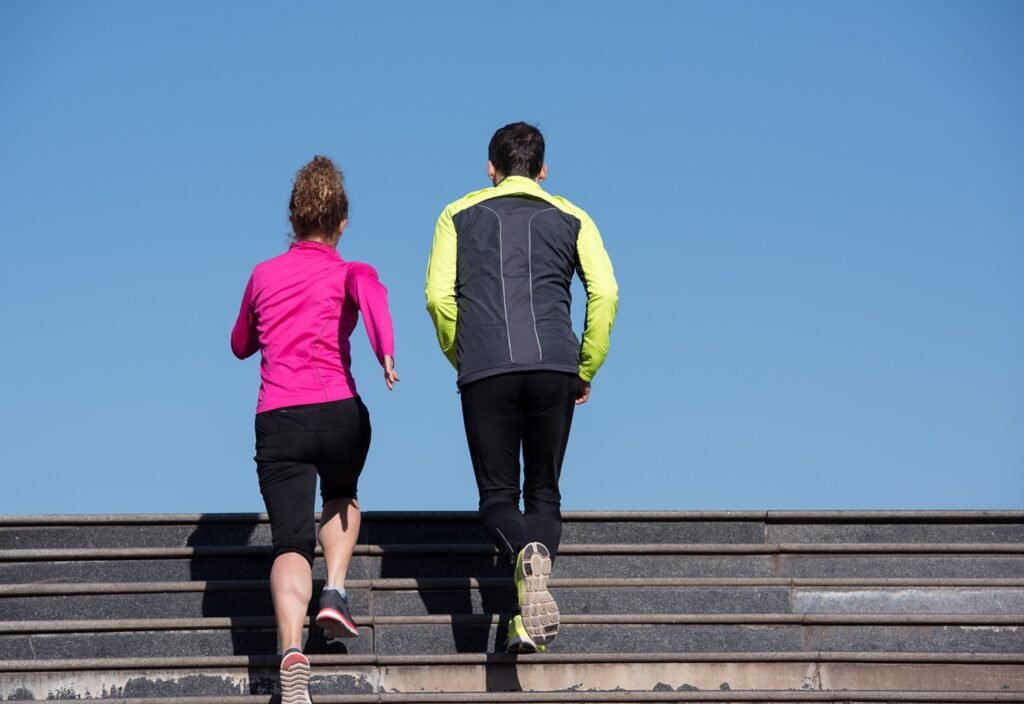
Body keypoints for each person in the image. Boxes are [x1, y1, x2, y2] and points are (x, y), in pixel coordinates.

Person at [425, 122, 618, 653]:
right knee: (545, 494)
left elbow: (440, 299)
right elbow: (606, 293)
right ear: (543, 169)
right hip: (556, 365)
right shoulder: (574, 217)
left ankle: (524, 561)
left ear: (491, 167)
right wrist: (587, 365)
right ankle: (524, 622)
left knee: (495, 499)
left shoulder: (456, 214)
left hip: (486, 365)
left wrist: (459, 353)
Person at [231, 156, 398, 703]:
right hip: (339, 411)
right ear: (342, 224)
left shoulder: (263, 274)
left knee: (289, 543)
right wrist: (386, 354)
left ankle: (291, 650)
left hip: (279, 417)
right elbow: (374, 299)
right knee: (343, 494)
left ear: (292, 218)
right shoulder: (351, 271)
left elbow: (240, 344)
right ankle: (335, 589)